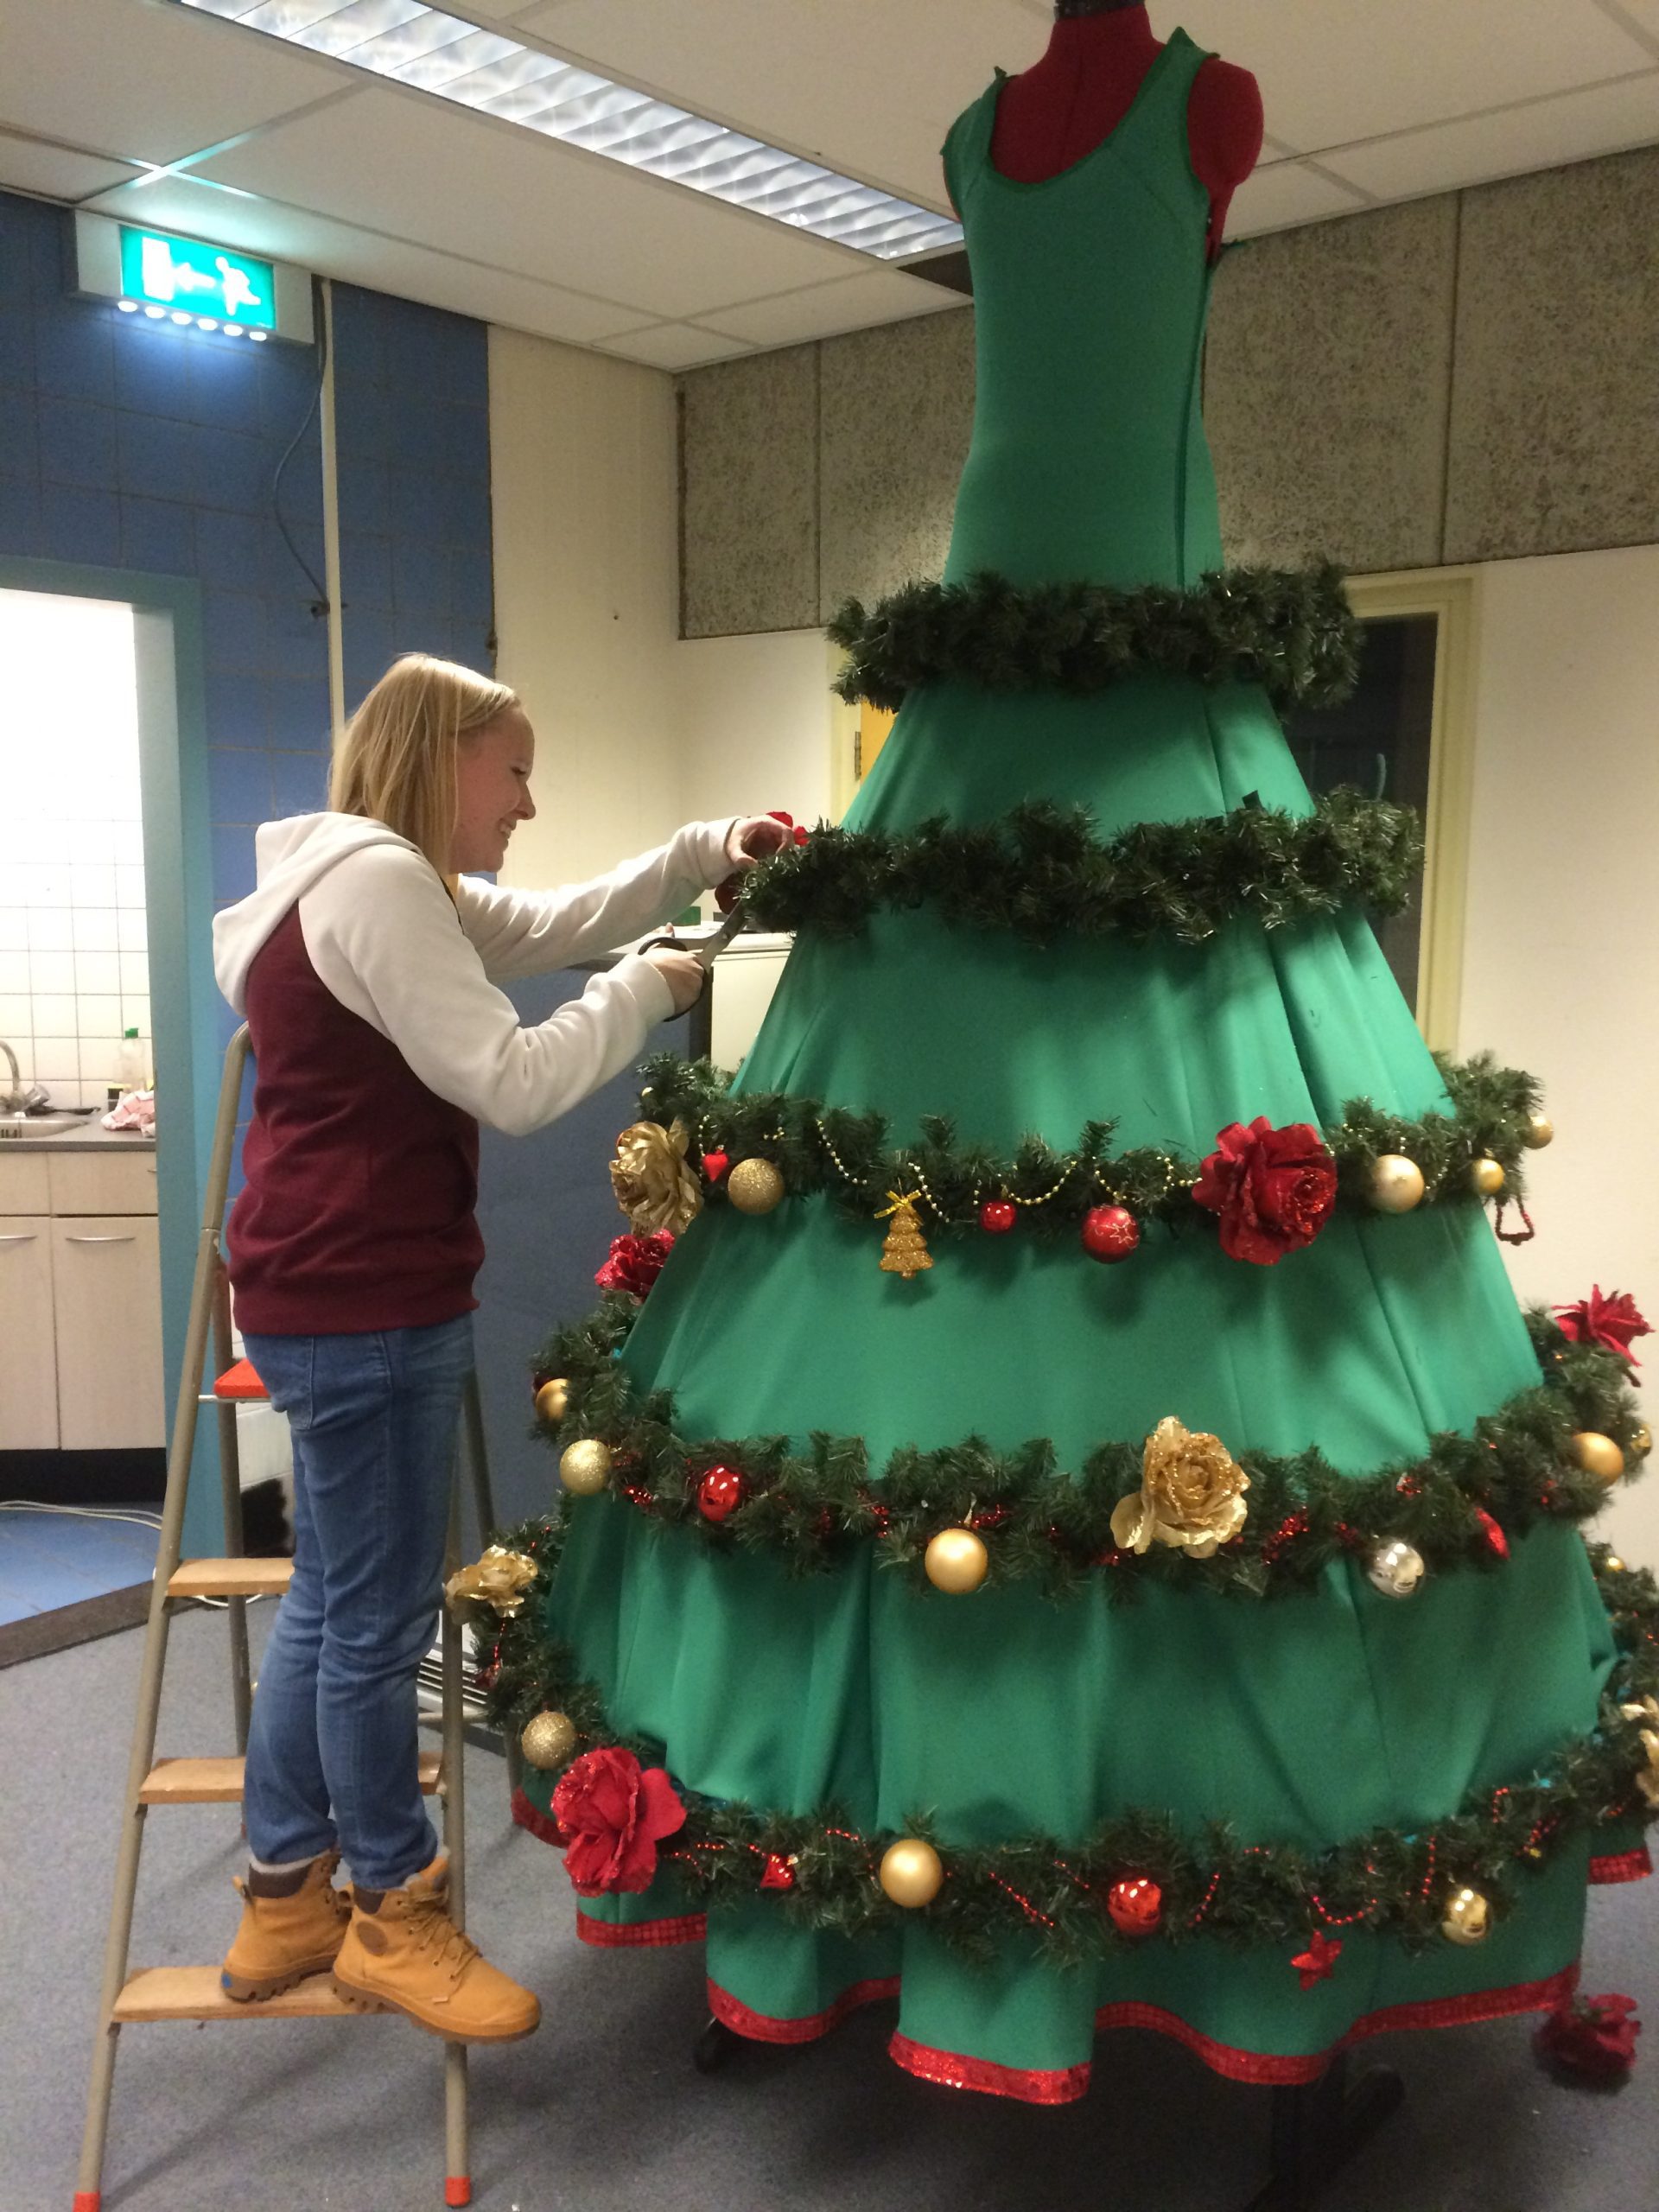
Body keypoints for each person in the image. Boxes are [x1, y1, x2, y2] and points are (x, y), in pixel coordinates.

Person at [209, 652, 787, 2041]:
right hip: (361, 1301)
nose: (528, 801)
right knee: (378, 1620)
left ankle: (282, 1891)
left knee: (331, 1599)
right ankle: (392, 1918)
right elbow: (515, 1082)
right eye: (514, 769)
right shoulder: (383, 888)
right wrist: (644, 996)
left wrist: (708, 852)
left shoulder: (348, 880)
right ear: (444, 755)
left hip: (314, 1287)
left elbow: (559, 916)